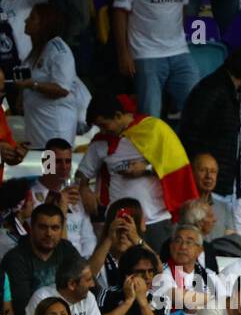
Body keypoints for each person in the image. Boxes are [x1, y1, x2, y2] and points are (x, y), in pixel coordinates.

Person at [78, 95, 195, 252]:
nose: (103, 130)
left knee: (160, 273)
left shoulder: (154, 129)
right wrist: (84, 188)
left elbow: (177, 168)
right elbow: (81, 175)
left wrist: (145, 169)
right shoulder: (101, 141)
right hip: (119, 222)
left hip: (157, 220)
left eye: (104, 125)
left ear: (118, 116)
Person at [179, 45, 241, 199]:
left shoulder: (229, 91)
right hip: (210, 186)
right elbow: (191, 134)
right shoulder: (212, 90)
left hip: (222, 182)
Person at [112, 0, 199, 118]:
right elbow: (119, 11)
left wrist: (180, 37)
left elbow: (182, 6)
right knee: (150, 115)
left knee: (198, 105)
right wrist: (123, 53)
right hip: (145, 51)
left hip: (179, 49)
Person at [1, 203, 80, 315]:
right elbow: (23, 309)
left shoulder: (66, 249)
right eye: (43, 227)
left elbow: (85, 283)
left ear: (62, 230)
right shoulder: (16, 258)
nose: (49, 233)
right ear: (31, 228)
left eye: (55, 228)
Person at [13, 2, 81, 150]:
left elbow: (62, 89)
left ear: (44, 23)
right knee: (44, 171)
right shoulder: (35, 52)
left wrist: (32, 85)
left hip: (54, 129)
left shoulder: (59, 50)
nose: (26, 21)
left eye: (32, 18)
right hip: (37, 129)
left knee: (52, 170)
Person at [24, 138, 95, 259]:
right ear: (46, 162)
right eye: (58, 161)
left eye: (68, 161)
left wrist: (84, 263)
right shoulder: (29, 195)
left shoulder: (75, 194)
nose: (64, 167)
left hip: (81, 264)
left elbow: (88, 238)